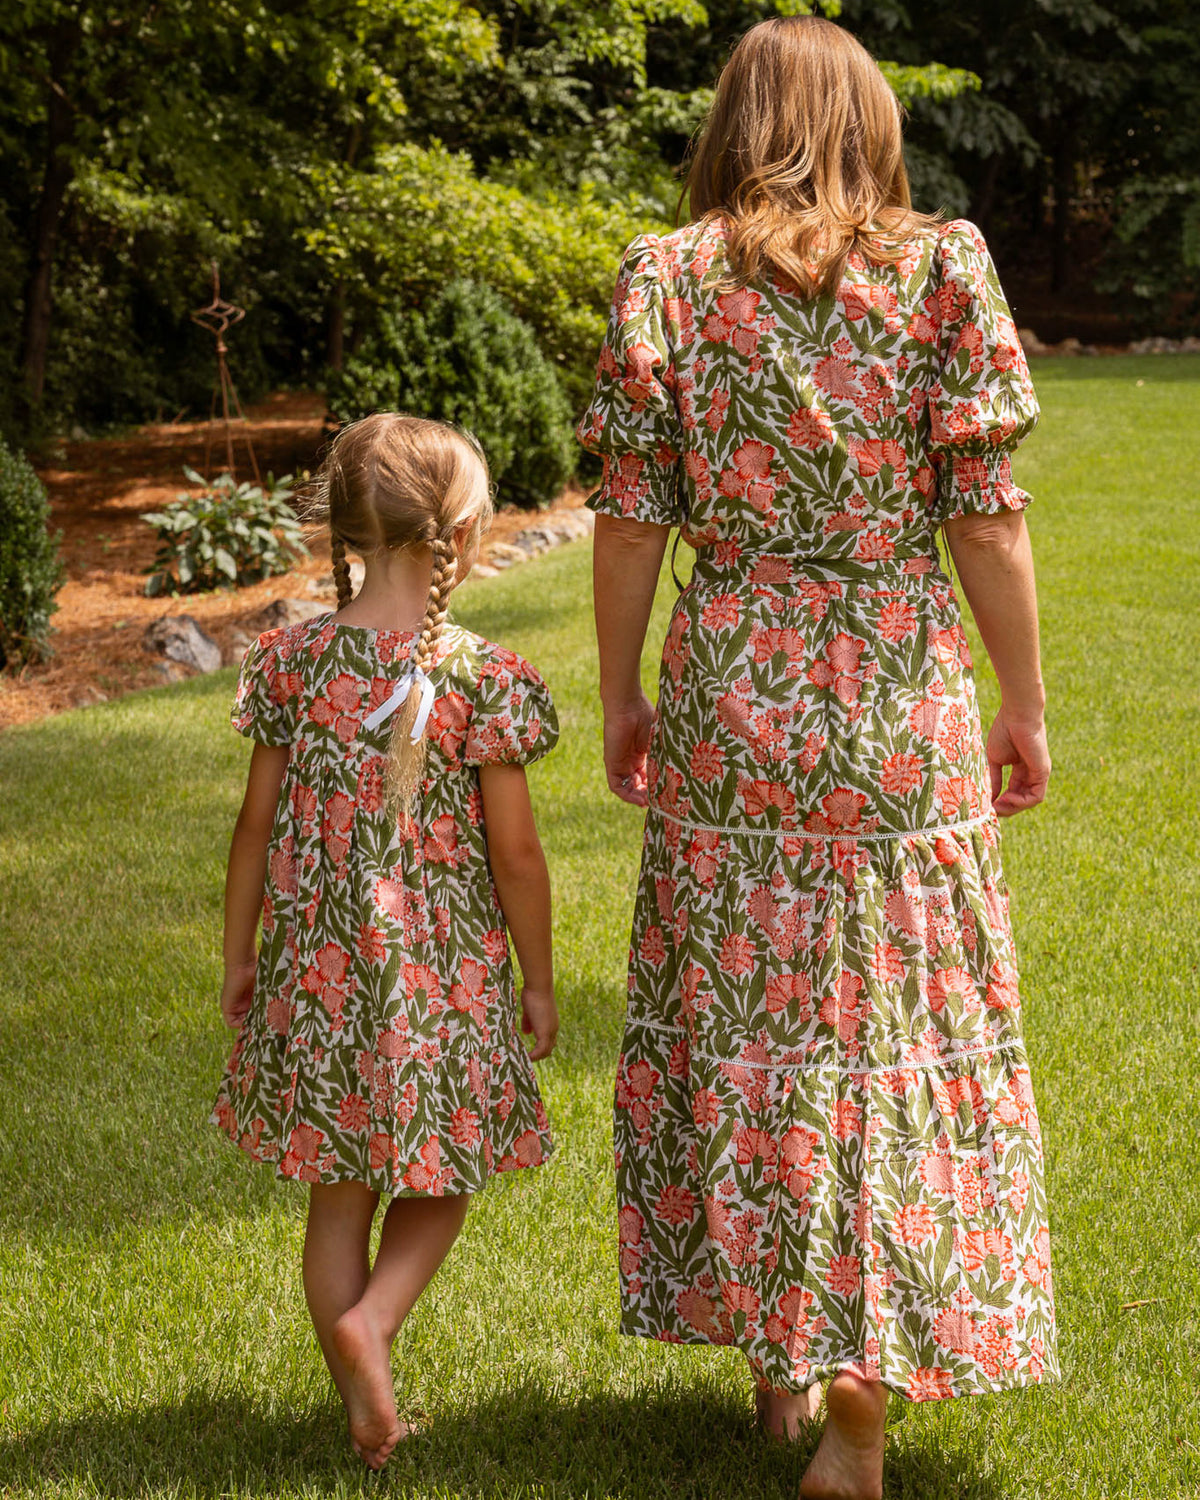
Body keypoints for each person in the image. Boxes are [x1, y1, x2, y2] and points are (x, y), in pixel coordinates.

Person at [579, 16, 1057, 1499]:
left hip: (735, 692)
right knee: (887, 1028)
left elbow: (630, 512)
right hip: (898, 698)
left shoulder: (664, 276)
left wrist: (619, 693)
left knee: (756, 1022)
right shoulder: (943, 266)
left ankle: (784, 1356)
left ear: (733, 119)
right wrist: (1022, 697)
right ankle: (854, 1382)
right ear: (869, 121)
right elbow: (982, 511)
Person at [211, 413, 559, 1470]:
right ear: (462, 532)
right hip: (437, 975)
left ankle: (358, 1385)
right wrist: (538, 980)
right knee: (444, 1174)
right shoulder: (483, 678)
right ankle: (372, 1326)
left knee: (338, 1185)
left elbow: (255, 827)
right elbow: (518, 859)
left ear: (350, 527)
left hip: (315, 970)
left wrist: (238, 954)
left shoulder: (294, 660)